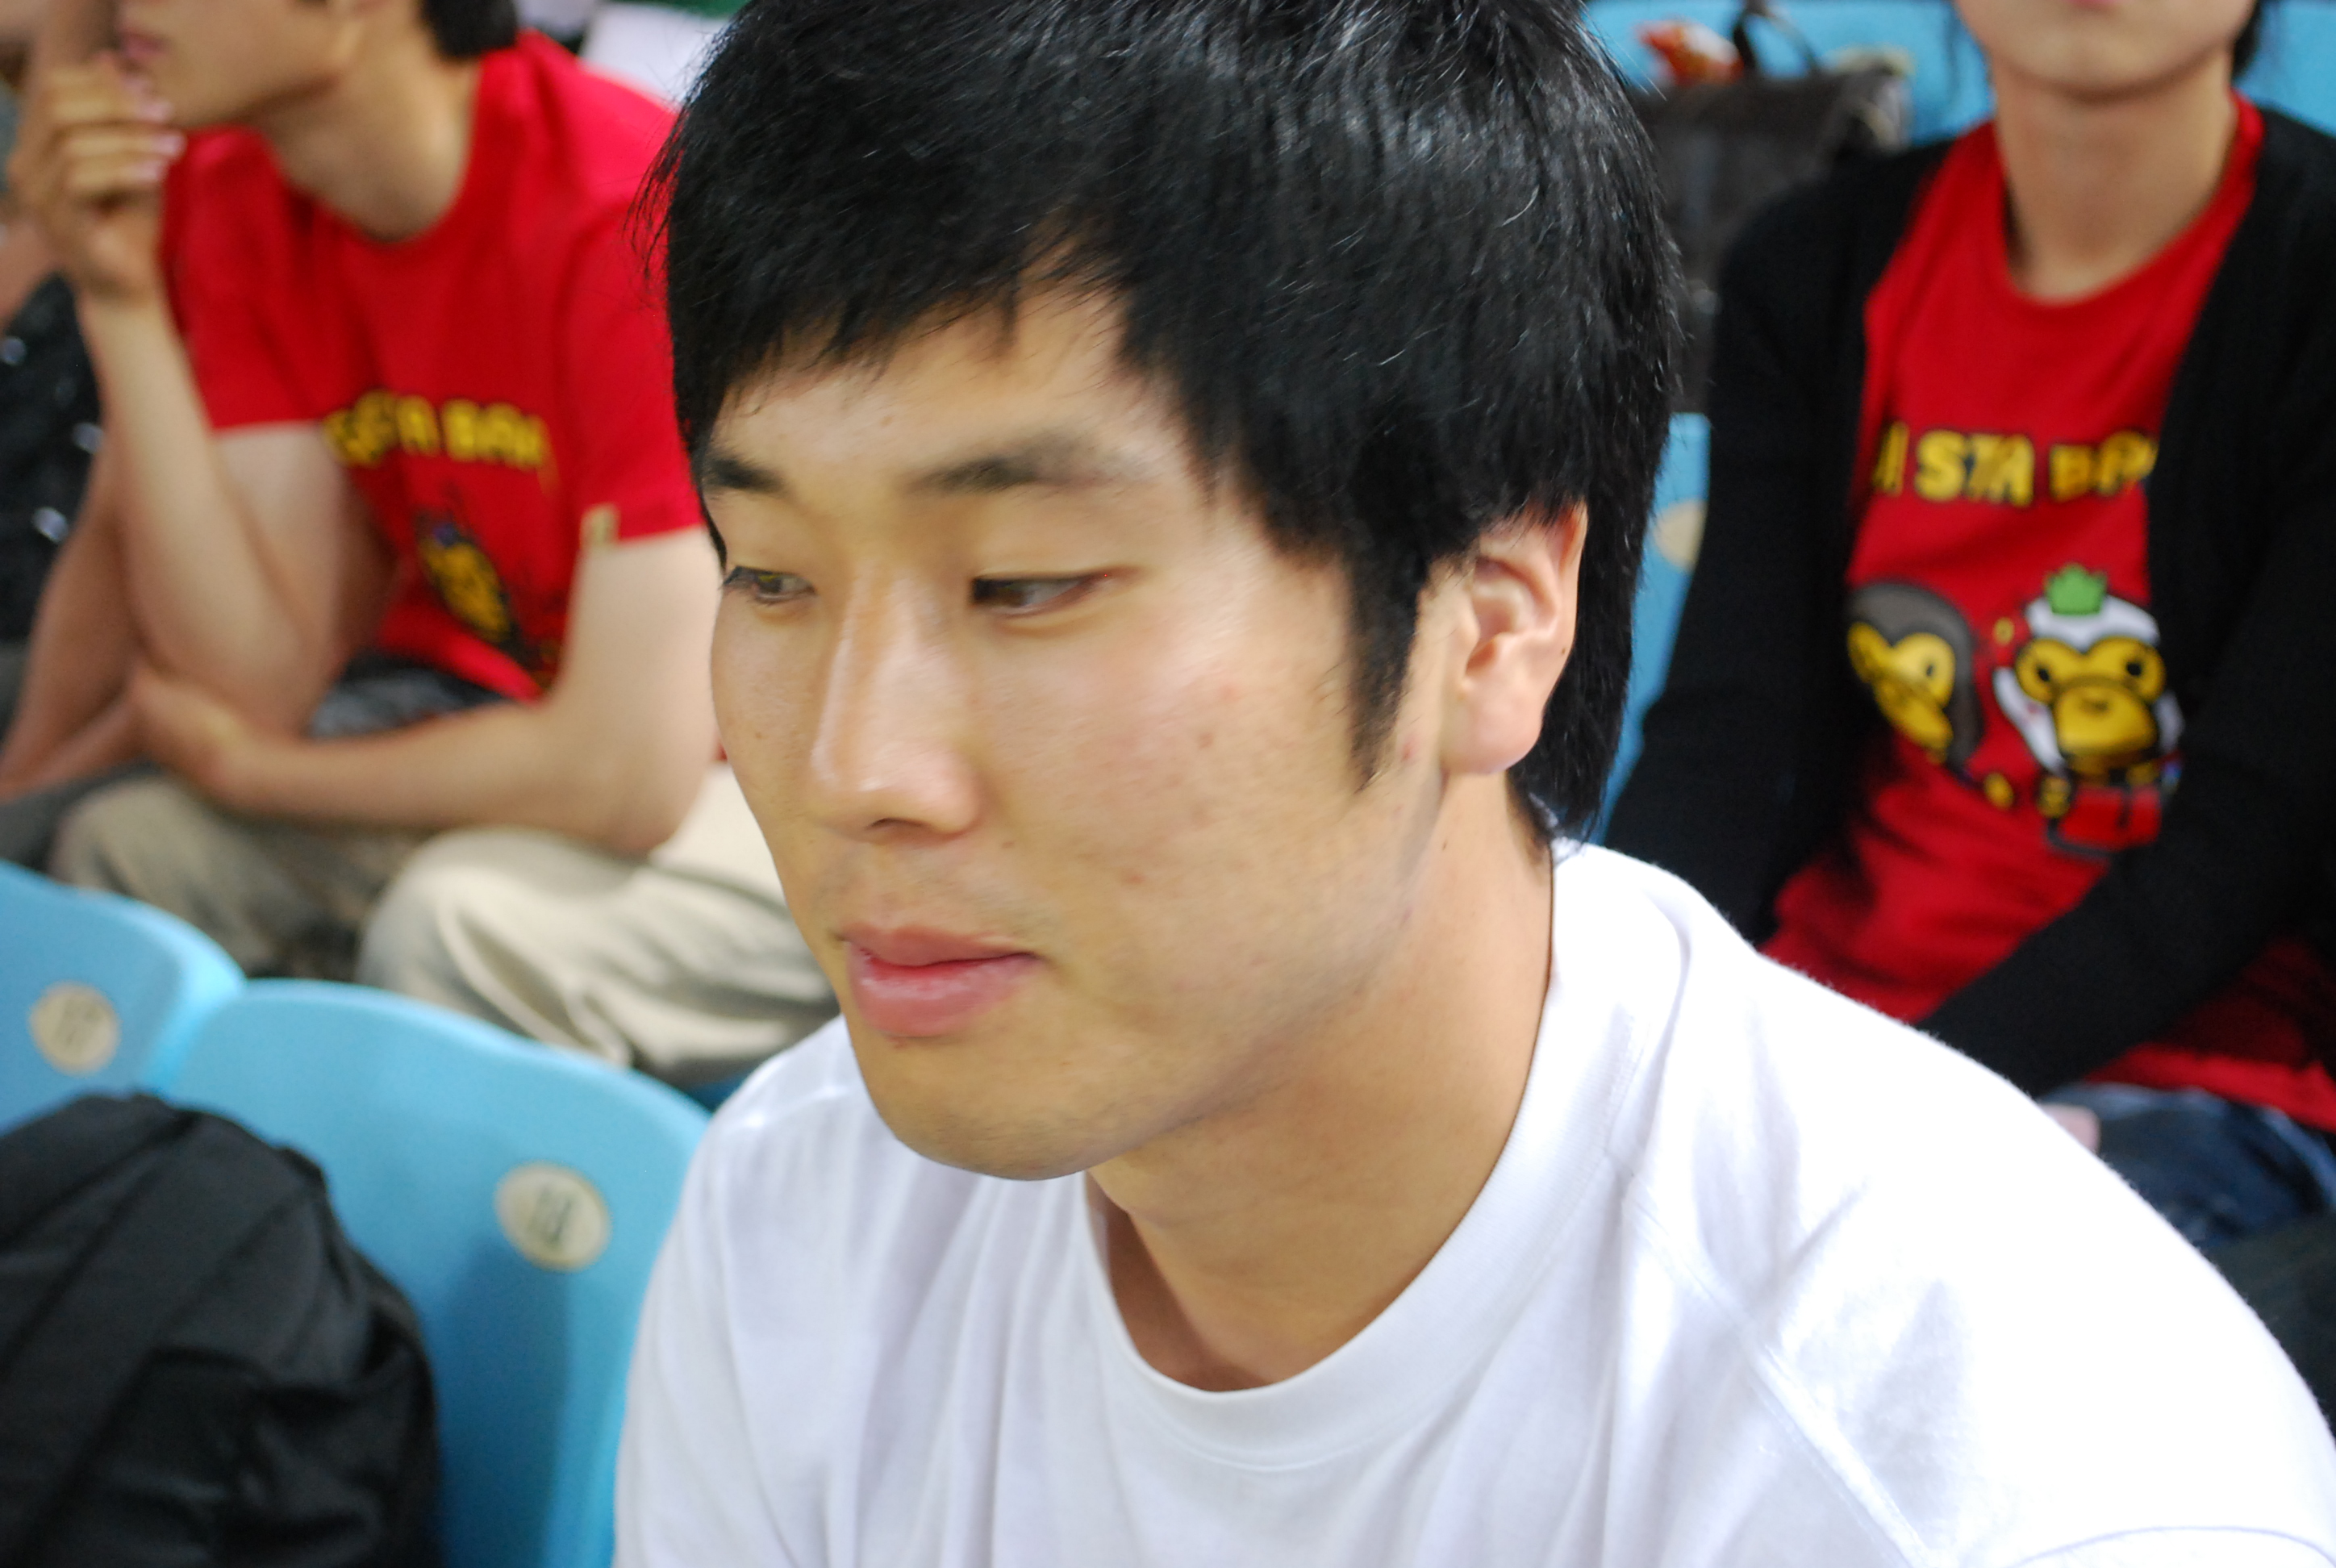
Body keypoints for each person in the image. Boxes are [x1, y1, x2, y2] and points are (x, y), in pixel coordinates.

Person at [615, 1, 2336, 1562]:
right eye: (769, 574)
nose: (851, 768)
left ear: (1492, 620)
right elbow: (1736, 733)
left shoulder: (2011, 1487)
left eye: (1023, 583)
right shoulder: (796, 1222)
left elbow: (2257, 817)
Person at [1607, 0, 2336, 1255]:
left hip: (2196, 1079)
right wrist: (1610, 1039)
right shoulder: (1816, 266)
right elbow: (1725, 742)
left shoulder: (2310, 279)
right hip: (1827, 1023)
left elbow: (2247, 843)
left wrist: (1914, 1114)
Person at [0, 0, 831, 1080]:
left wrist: (263, 777)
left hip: (814, 773)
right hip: (528, 722)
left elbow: (627, 774)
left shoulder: (620, 211)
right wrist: (120, 299)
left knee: (456, 928)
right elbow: (249, 682)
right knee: (134, 848)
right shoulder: (245, 187)